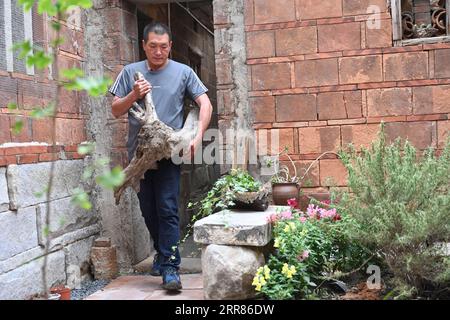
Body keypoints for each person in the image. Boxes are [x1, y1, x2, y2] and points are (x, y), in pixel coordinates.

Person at [109, 21, 212, 291]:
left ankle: (170, 268)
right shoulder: (130, 72)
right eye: (153, 46)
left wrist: (198, 135)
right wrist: (134, 93)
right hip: (140, 157)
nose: (158, 52)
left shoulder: (184, 72)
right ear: (144, 45)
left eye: (163, 47)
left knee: (166, 207)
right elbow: (115, 110)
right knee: (148, 210)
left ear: (170, 47)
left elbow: (205, 103)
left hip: (169, 153)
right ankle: (162, 253)